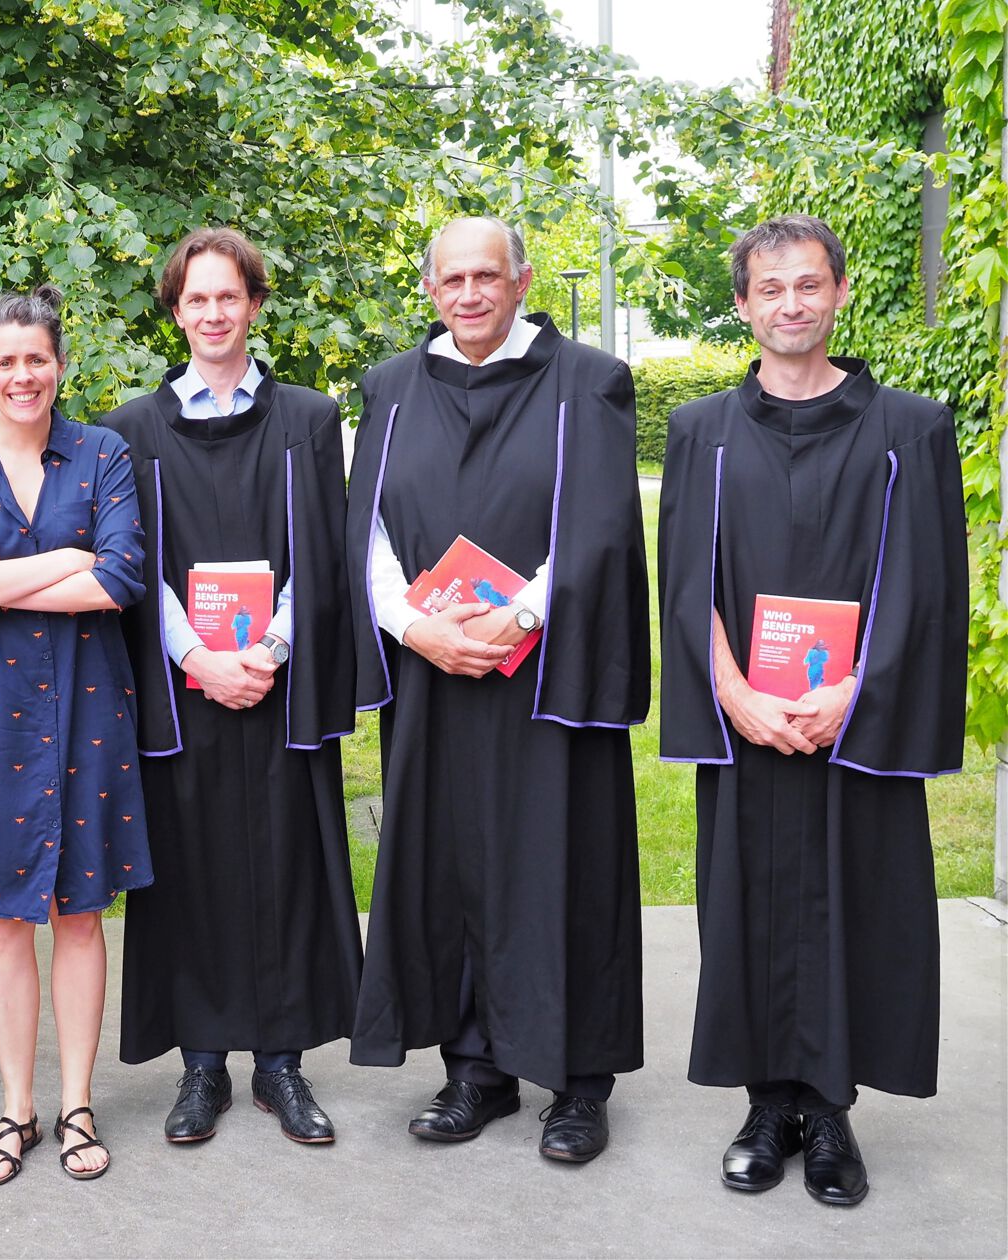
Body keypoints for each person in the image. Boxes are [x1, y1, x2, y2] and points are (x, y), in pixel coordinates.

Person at [658, 214, 966, 1206]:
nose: (788, 304)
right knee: (743, 905)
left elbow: (925, 585)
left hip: (850, 726)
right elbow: (680, 582)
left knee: (853, 905)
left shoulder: (908, 429)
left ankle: (827, 1113)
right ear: (742, 305)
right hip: (744, 724)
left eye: (806, 285)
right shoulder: (698, 431)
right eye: (768, 289)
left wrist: (852, 691)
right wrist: (731, 690)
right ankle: (764, 1104)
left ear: (837, 293)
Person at [346, 216, 651, 1163]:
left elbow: (600, 522)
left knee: (565, 860)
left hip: (548, 673)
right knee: (453, 864)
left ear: (522, 283)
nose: (470, 293)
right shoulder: (392, 389)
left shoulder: (586, 380)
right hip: (435, 673)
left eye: (489, 275)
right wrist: (415, 627)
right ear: (430, 288)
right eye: (453, 278)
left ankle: (578, 1082)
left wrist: (519, 616)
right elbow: (367, 532)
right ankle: (474, 1069)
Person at [101, 228, 369, 1146]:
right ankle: (204, 1066)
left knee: (288, 865)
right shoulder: (132, 430)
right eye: (195, 300)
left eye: (229, 297)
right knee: (190, 872)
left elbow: (326, 548)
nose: (213, 314)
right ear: (175, 312)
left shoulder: (307, 418)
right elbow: (135, 565)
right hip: (186, 692)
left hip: (277, 684)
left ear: (255, 304)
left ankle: (283, 1064)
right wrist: (197, 658)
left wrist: (274, 647)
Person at [0, 284, 152, 1184]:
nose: (23, 375)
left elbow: (120, 581)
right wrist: (63, 557)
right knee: (8, 923)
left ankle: (77, 1105)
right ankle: (17, 1110)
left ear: (60, 363)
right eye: (4, 362)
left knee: (81, 916)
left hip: (89, 712)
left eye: (37, 359)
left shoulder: (104, 453)